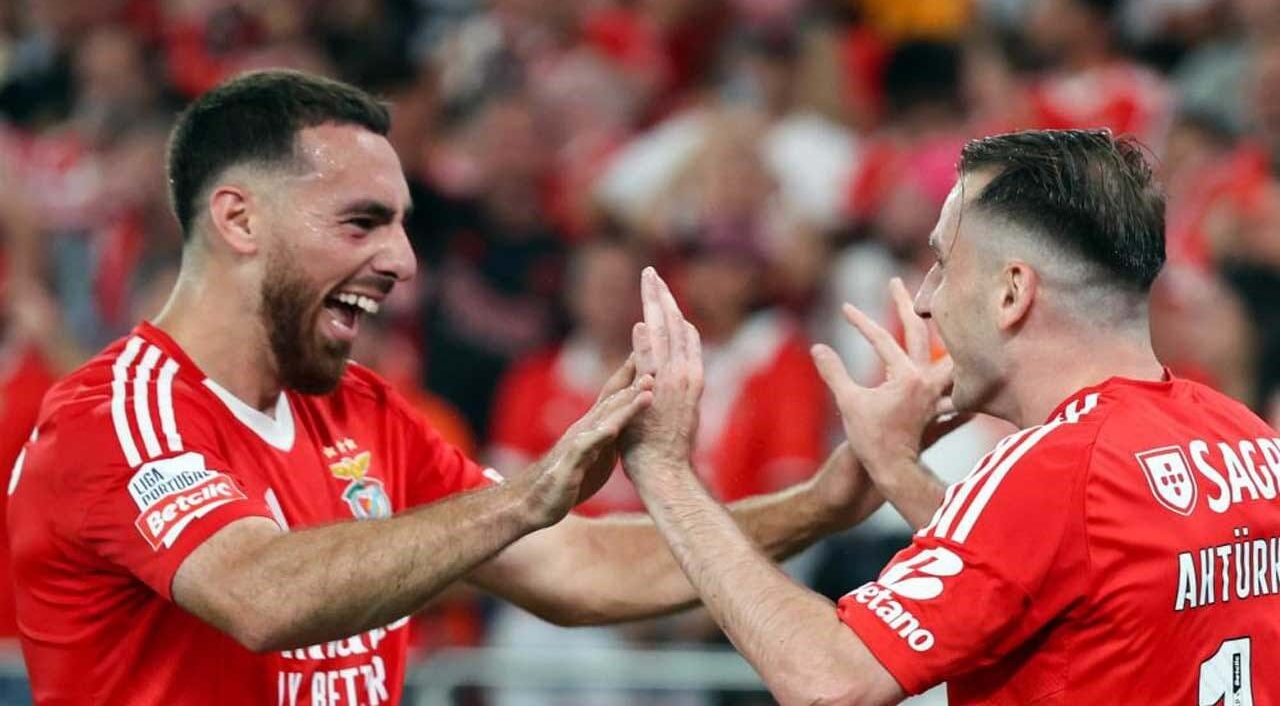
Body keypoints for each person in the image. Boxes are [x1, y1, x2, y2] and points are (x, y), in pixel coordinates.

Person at [6, 69, 885, 706]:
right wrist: (526, 499)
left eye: (401, 225)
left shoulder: (364, 413)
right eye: (362, 222)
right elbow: (258, 594)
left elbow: (578, 567)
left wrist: (823, 503)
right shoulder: (118, 419)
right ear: (240, 219)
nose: (401, 260)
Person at [621, 129, 1280, 704]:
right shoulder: (1247, 439)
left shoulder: (1052, 466)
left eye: (941, 263)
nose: (926, 300)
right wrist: (893, 467)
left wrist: (664, 468)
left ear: (1012, 291)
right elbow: (1036, 569)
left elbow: (831, 682)